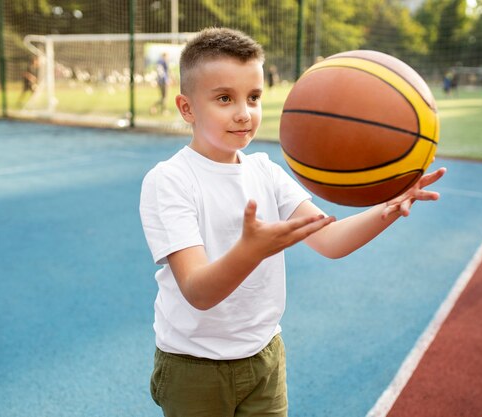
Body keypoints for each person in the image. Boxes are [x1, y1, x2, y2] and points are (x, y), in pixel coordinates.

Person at [139, 27, 446, 417]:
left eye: (253, 97)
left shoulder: (266, 172)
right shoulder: (170, 181)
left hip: (265, 354)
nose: (243, 113)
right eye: (224, 98)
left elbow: (330, 240)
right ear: (187, 108)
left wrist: (389, 205)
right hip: (194, 366)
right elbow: (199, 292)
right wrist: (250, 251)